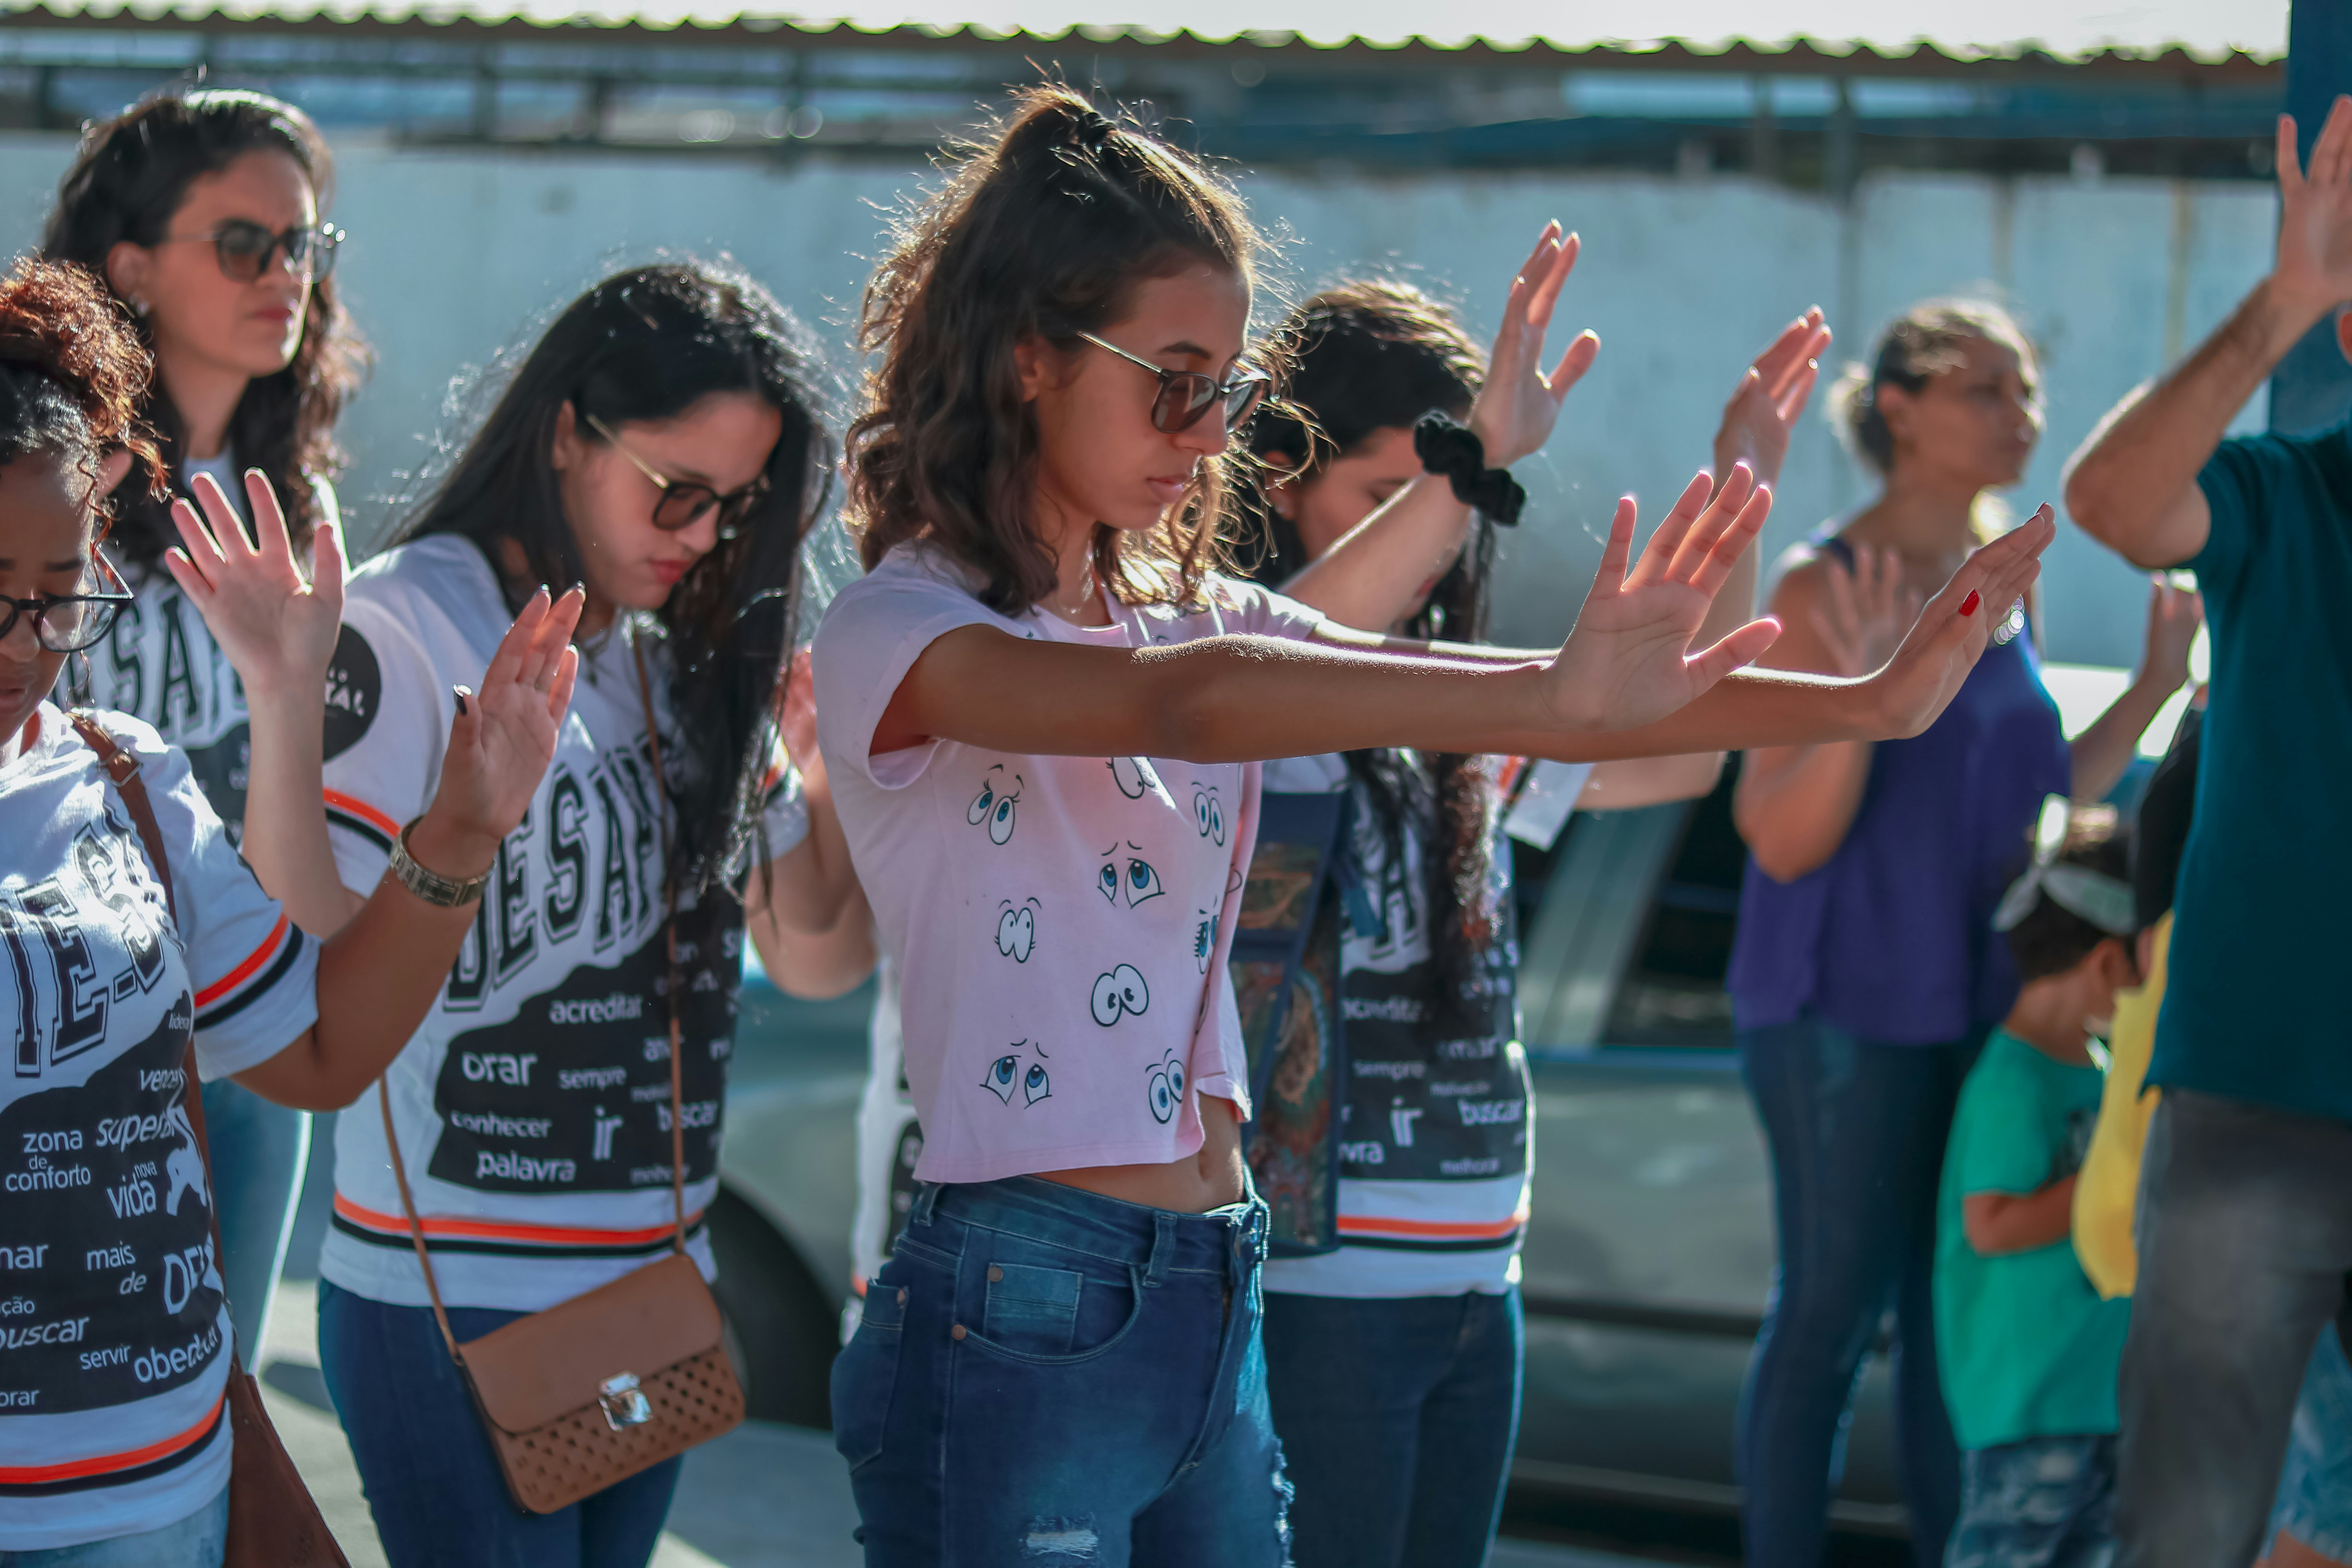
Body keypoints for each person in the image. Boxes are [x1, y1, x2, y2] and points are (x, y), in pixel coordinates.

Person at [813, 83, 2050, 1565]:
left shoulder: (1195, 618)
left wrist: (1872, 702)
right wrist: (1551, 655)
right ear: (1029, 358)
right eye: (1176, 382)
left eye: (1230, 395)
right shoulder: (903, 625)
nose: (1208, 440)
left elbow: (1504, 701)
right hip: (1019, 1284)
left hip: (1219, 1273)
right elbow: (1188, 706)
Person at [174, 261, 859, 1567]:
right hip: (457, 1297)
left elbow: (815, 959)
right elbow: (306, 939)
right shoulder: (412, 621)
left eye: (738, 508)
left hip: (655, 1288)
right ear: (565, 433)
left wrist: (824, 773)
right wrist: (284, 693)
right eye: (677, 491)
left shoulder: (673, 660)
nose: (704, 536)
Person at [1238, 276, 1829, 1568]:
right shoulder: (1237, 696)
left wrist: (1742, 480)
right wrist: (1480, 461)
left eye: (1459, 500)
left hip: (1479, 1280)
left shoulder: (1457, 715)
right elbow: (1291, 650)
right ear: (1278, 482)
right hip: (1320, 1294)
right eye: (1389, 495)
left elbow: (1668, 761)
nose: (1436, 533)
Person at [0, 258, 572, 1564]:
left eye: (60, 595)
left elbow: (319, 1055)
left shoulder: (126, 778)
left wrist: (459, 831)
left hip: (162, 1496)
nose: (29, 645)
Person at [1726, 299, 2199, 1566]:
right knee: (1831, 1313)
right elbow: (1778, 838)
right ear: (1899, 409)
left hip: (1970, 998)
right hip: (1839, 1003)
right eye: (1985, 387)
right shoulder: (1825, 581)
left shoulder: (2004, 584)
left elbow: (2038, 807)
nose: (2022, 415)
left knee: (1954, 1318)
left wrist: (2155, 693)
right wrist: (1866, 696)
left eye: (2026, 388)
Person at [2062, 92, 2352, 1568]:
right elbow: (2109, 496)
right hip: (2256, 1097)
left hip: (2254, 1103)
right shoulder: (2289, 497)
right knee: (2189, 1533)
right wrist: (2282, 301)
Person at [40, 85, 367, 1364]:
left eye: (305, 247)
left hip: (242, 1027)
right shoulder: (49, 479)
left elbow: (304, 855)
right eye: (246, 244)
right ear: (130, 264)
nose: (286, 275)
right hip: (63, 1029)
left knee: (218, 1397)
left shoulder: (303, 503)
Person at [1935, 803, 2140, 1568]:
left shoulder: (2099, 1066)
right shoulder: (2015, 1080)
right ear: (2107, 964)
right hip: (2033, 1402)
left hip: (2097, 1394)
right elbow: (1992, 1223)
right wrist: (2117, 1172)